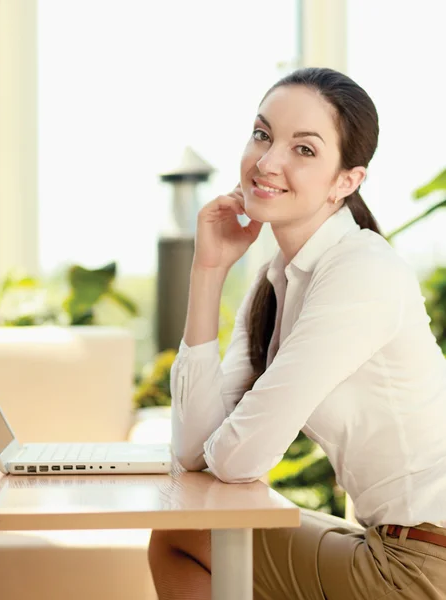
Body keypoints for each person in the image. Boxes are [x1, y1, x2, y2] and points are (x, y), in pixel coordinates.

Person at [148, 67, 446, 599]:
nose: (267, 162)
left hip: (423, 562)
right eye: (262, 135)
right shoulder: (277, 282)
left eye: (303, 150)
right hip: (398, 544)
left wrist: (227, 443)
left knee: (180, 535)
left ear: (346, 182)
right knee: (185, 530)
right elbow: (194, 452)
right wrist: (208, 271)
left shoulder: (361, 271)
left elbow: (239, 460)